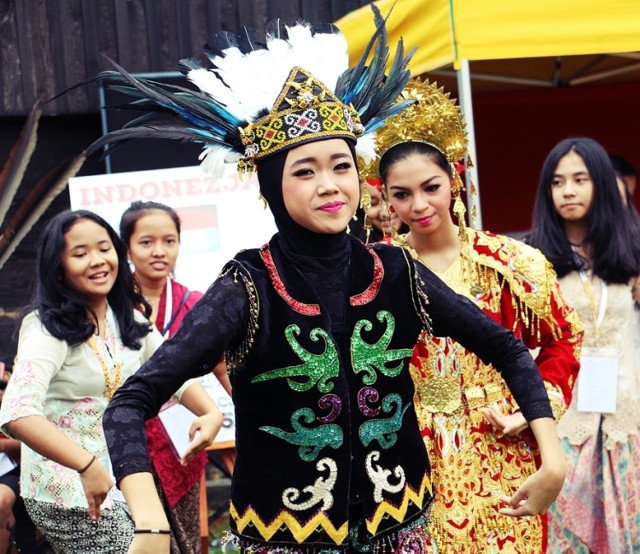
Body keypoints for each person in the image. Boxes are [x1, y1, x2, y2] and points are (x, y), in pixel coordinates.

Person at [91, 9, 566, 553]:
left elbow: (505, 346)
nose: (329, 185)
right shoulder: (247, 287)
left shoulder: (395, 271)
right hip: (285, 540)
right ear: (271, 187)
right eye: (305, 171)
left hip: (403, 533)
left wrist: (551, 455)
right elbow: (130, 401)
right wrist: (150, 521)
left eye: (341, 166)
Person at [372, 78, 583, 553]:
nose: (419, 205)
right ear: (385, 197)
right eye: (402, 194)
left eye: (431, 187)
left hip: (500, 443)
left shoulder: (511, 263)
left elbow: (565, 337)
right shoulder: (376, 274)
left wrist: (533, 409)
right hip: (411, 450)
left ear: (455, 179)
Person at [0, 210, 222, 553]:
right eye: (80, 253)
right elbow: (17, 413)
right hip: (64, 491)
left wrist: (209, 413)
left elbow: (173, 370)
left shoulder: (125, 318)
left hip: (120, 480)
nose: (97, 261)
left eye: (104, 248)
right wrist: (85, 465)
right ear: (57, 267)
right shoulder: (46, 329)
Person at [527, 137, 640, 553]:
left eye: (580, 179)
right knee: (562, 529)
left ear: (603, 186)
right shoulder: (532, 257)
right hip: (562, 413)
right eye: (558, 182)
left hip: (625, 411)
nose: (568, 191)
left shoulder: (630, 251)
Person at [119, 200, 227, 554]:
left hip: (183, 443)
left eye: (169, 241)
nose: (159, 251)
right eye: (146, 242)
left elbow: (223, 366)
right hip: (124, 442)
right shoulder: (110, 306)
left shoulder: (195, 303)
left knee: (185, 542)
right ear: (127, 249)